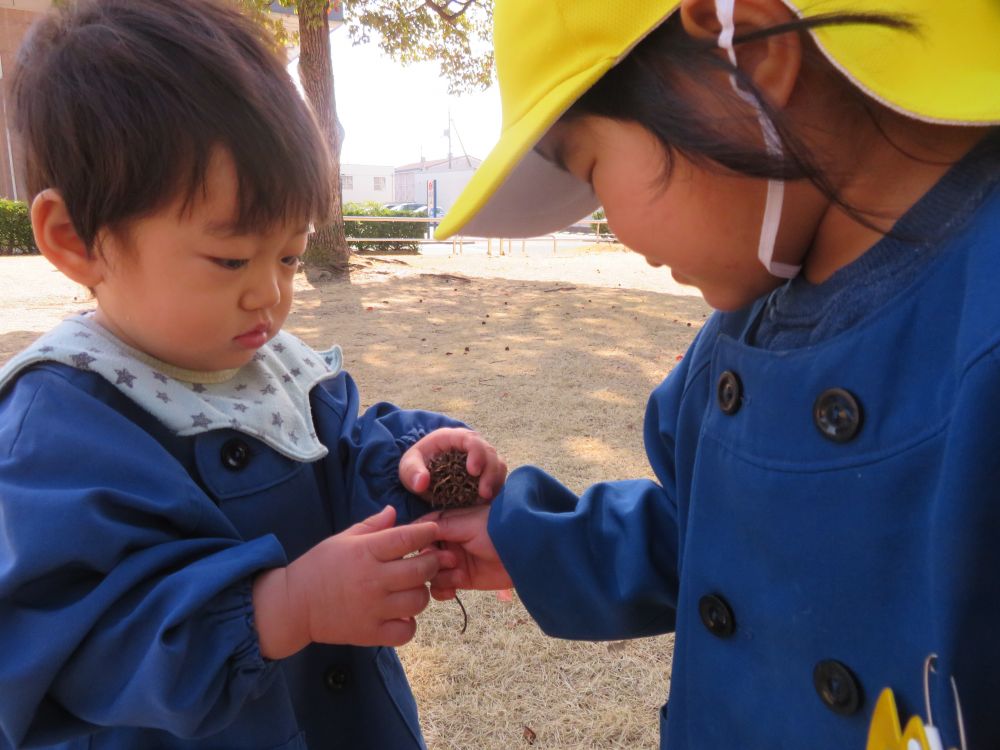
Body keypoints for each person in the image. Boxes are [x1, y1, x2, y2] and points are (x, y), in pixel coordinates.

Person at [428, 0, 1000, 748]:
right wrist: (530, 541)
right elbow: (712, 529)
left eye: (593, 172)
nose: (611, 228)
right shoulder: (735, 339)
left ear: (751, 51)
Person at [0, 1, 506, 748]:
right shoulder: (56, 428)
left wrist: (416, 468)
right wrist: (278, 608)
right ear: (78, 241)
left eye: (291, 255)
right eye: (231, 258)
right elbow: (64, 644)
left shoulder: (283, 370)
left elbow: (347, 460)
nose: (269, 292)